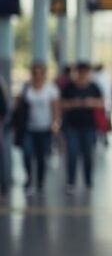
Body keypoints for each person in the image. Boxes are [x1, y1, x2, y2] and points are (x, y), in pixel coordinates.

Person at [60, 62, 103, 193]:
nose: (83, 75)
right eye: (81, 72)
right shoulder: (69, 87)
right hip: (72, 126)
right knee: (72, 154)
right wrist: (73, 103)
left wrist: (91, 102)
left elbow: (102, 103)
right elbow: (61, 103)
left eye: (85, 72)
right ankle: (71, 181)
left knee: (88, 154)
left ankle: (88, 180)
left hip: (89, 126)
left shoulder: (94, 87)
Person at [18, 63, 60, 194]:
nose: (37, 76)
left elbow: (55, 108)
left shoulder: (51, 89)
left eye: (40, 73)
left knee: (41, 156)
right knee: (26, 153)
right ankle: (29, 177)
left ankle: (40, 180)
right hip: (28, 127)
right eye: (34, 73)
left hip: (45, 128)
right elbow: (20, 105)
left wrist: (55, 123)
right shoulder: (27, 87)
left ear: (44, 74)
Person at [92, 63, 112, 146]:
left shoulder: (94, 77)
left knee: (101, 121)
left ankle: (101, 136)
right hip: (102, 103)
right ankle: (103, 136)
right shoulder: (105, 77)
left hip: (101, 103)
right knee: (103, 121)